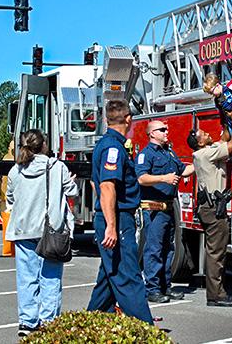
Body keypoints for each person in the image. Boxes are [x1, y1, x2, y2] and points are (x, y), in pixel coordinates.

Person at [5, 129, 78, 337]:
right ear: (44, 145)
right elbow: (72, 192)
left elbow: (10, 198)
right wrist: (70, 182)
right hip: (51, 230)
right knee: (50, 277)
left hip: (22, 229)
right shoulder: (57, 167)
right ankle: (49, 322)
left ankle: (27, 322)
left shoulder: (15, 170)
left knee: (26, 278)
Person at [87, 99, 153, 324]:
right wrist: (112, 227)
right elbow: (106, 186)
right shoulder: (113, 148)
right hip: (117, 218)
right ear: (128, 119)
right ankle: (146, 331)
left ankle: (94, 323)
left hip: (113, 217)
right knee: (128, 277)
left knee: (109, 277)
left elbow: (96, 184)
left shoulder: (107, 144)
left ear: (106, 120)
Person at [186, 104, 232, 307]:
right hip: (213, 209)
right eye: (202, 133)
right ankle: (216, 295)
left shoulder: (205, 152)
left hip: (208, 208)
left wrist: (224, 116)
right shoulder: (205, 154)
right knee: (216, 254)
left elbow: (225, 138)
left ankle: (216, 292)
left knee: (215, 252)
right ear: (199, 142)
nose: (207, 133)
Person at [136, 120, 194, 303]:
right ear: (152, 133)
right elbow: (142, 178)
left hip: (168, 208)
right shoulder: (145, 154)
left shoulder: (168, 152)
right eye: (162, 130)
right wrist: (164, 178)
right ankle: (152, 289)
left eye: (166, 129)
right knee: (154, 249)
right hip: (153, 208)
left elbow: (183, 170)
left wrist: (205, 159)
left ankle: (165, 287)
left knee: (168, 249)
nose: (166, 132)